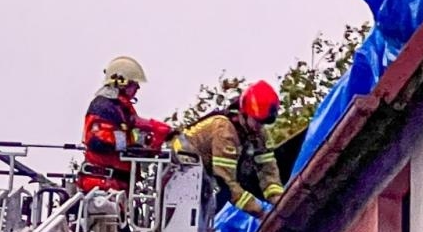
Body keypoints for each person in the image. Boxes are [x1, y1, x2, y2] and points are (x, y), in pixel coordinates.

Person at [171, 79, 286, 216]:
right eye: (257, 121)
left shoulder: (256, 132)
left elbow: (268, 169)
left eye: (264, 123)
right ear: (244, 113)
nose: (260, 127)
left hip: (201, 172)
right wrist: (259, 212)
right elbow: (226, 181)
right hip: (182, 167)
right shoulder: (224, 130)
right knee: (218, 195)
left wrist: (279, 200)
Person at [78, 56, 172, 193]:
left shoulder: (121, 107)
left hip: (117, 185)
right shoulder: (103, 107)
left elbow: (135, 123)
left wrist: (156, 129)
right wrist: (132, 147)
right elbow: (98, 142)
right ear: (121, 82)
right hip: (101, 184)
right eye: (134, 83)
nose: (138, 88)